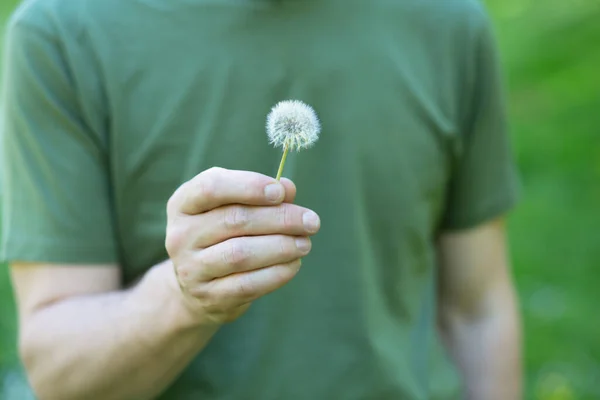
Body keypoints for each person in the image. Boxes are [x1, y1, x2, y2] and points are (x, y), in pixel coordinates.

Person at [0, 0, 522, 398]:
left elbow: (477, 310)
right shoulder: (61, 31)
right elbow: (57, 371)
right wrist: (184, 298)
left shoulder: (449, 22)